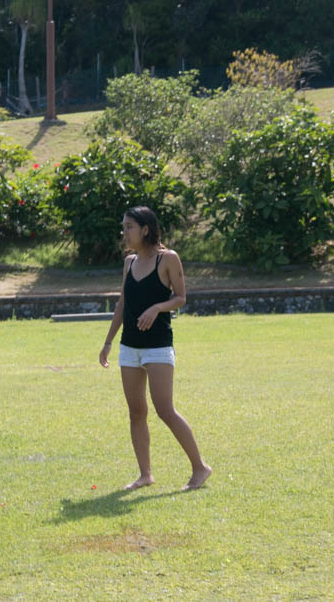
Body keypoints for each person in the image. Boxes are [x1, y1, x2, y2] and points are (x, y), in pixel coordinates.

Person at [99, 206, 212, 491]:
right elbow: (122, 304)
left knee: (165, 409)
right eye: (123, 227)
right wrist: (108, 341)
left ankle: (200, 467)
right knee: (136, 411)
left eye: (129, 227)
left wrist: (156, 308)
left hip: (158, 346)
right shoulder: (129, 262)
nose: (124, 233)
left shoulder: (168, 258)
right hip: (130, 347)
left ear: (145, 229)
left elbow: (181, 298)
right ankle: (145, 474)